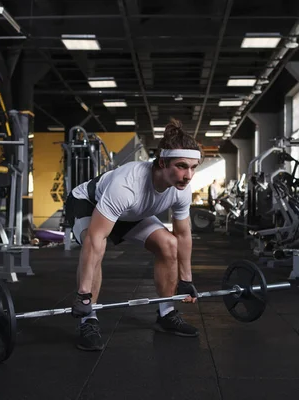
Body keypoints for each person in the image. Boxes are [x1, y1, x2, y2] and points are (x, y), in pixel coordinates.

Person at [64, 119, 202, 351]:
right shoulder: (127, 185)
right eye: (181, 166)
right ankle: (88, 319)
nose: (188, 175)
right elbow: (95, 240)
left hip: (130, 213)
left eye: (193, 167)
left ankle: (166, 313)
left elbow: (183, 234)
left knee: (168, 244)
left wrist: (186, 280)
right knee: (98, 246)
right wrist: (83, 294)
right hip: (88, 204)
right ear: (162, 163)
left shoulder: (181, 190)